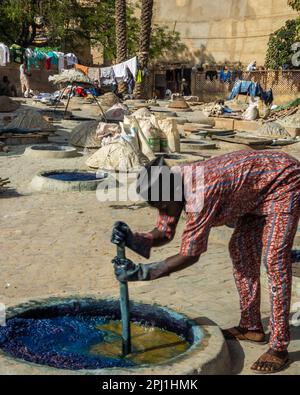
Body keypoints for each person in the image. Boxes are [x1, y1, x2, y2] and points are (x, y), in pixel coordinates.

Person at [111, 151, 300, 374]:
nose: (163, 212)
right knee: (240, 250)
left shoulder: (199, 192)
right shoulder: (170, 185)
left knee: (274, 260)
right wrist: (133, 239)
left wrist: (145, 273)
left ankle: (279, 347)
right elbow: (164, 232)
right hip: (254, 190)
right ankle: (251, 327)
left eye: (162, 205)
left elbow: (191, 254)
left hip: (283, 181)